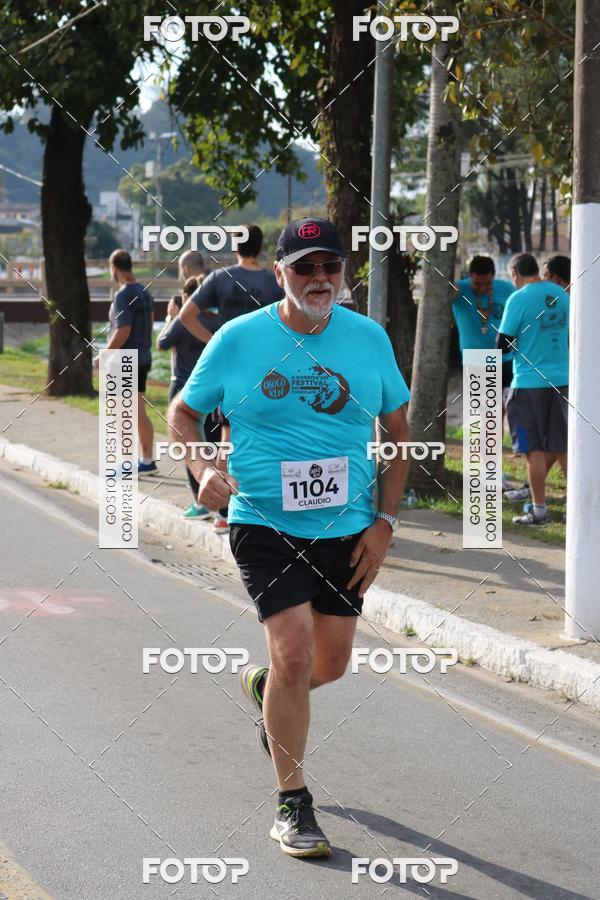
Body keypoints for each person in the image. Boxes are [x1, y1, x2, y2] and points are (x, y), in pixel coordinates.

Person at [169, 217, 411, 858]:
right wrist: (202, 468)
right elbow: (183, 412)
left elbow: (400, 435)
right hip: (263, 521)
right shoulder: (239, 338)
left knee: (327, 665)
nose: (319, 279)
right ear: (279, 274)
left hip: (349, 526)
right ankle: (292, 804)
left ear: (343, 273)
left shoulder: (369, 340)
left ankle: (262, 687)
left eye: (329, 266)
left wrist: (385, 525)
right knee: (297, 654)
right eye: (304, 267)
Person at [179, 224, 284, 533]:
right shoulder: (273, 281)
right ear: (262, 248)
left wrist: (213, 341)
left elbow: (186, 315)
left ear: (236, 248)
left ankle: (224, 510)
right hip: (271, 369)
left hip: (232, 368)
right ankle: (272, 504)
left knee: (227, 436)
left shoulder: (219, 278)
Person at [496, 253, 569, 526]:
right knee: (564, 448)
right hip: (563, 381)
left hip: (528, 383)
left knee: (534, 450)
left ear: (514, 273)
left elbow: (501, 344)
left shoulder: (518, 298)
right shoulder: (562, 295)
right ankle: (581, 510)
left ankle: (539, 512)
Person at [452, 255, 515, 489]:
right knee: (483, 418)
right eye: (477, 283)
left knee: (498, 417)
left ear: (494, 277)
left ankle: (494, 468)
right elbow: (443, 293)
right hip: (476, 362)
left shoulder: (506, 289)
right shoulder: (460, 290)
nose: (482, 288)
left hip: (505, 361)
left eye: (487, 284)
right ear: (470, 277)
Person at [157, 277, 212, 519]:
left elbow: (162, 343)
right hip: (210, 389)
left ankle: (200, 502)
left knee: (191, 448)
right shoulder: (216, 320)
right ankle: (220, 506)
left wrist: (171, 316)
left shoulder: (182, 320)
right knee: (213, 444)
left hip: (182, 386)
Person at [103, 249, 156, 474]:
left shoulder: (123, 295)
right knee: (138, 411)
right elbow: (151, 322)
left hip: (125, 360)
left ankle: (126, 464)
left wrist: (104, 354)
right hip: (143, 357)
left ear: (114, 268)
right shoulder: (144, 291)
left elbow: (123, 329)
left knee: (123, 413)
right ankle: (147, 460)